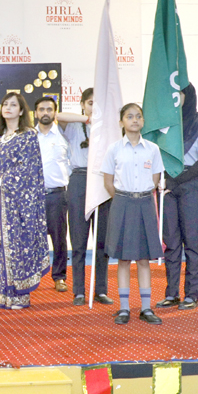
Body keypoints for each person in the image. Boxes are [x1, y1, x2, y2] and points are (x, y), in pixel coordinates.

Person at [0, 93, 48, 309]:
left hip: (21, 202)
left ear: (21, 111)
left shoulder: (28, 135)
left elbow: (27, 170)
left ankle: (19, 296)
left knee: (18, 246)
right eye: (5, 104)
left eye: (13, 105)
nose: (8, 108)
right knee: (0, 247)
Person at [102, 103, 164, 325]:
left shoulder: (152, 149)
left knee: (144, 258)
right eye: (129, 116)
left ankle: (146, 308)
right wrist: (124, 197)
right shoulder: (114, 149)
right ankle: (124, 308)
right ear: (122, 122)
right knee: (124, 259)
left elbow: (155, 179)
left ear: (143, 121)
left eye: (138, 116)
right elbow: (108, 182)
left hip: (145, 203)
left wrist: (140, 195)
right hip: (123, 202)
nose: (134, 120)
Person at [157, 84, 198, 311]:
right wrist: (168, 180)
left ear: (188, 96)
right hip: (169, 185)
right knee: (171, 243)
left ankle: (192, 295)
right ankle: (171, 294)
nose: (175, 98)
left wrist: (178, 178)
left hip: (191, 184)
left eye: (178, 94)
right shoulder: (165, 126)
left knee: (192, 243)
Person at [60, 89, 114, 306]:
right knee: (79, 240)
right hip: (80, 180)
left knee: (102, 241)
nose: (95, 107)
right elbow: (58, 116)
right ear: (83, 104)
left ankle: (100, 290)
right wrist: (88, 118)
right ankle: (79, 290)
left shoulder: (110, 129)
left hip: (102, 181)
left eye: (99, 104)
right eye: (91, 103)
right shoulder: (74, 126)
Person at [34, 97, 71, 292]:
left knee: (59, 237)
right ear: (35, 113)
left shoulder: (64, 135)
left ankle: (59, 277)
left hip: (57, 195)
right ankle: (30, 277)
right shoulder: (29, 136)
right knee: (32, 237)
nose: (45, 113)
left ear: (55, 113)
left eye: (50, 109)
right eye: (41, 109)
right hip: (33, 196)